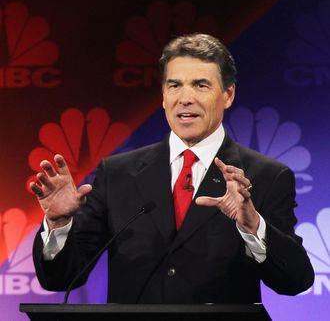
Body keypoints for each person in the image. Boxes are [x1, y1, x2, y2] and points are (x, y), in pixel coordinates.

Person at [31, 33, 314, 304]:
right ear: (163, 96)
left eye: (201, 85)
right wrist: (58, 224)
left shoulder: (266, 176)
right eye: (174, 85)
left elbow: (295, 281)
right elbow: (61, 278)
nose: (185, 98)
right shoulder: (117, 174)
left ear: (228, 95)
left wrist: (253, 227)